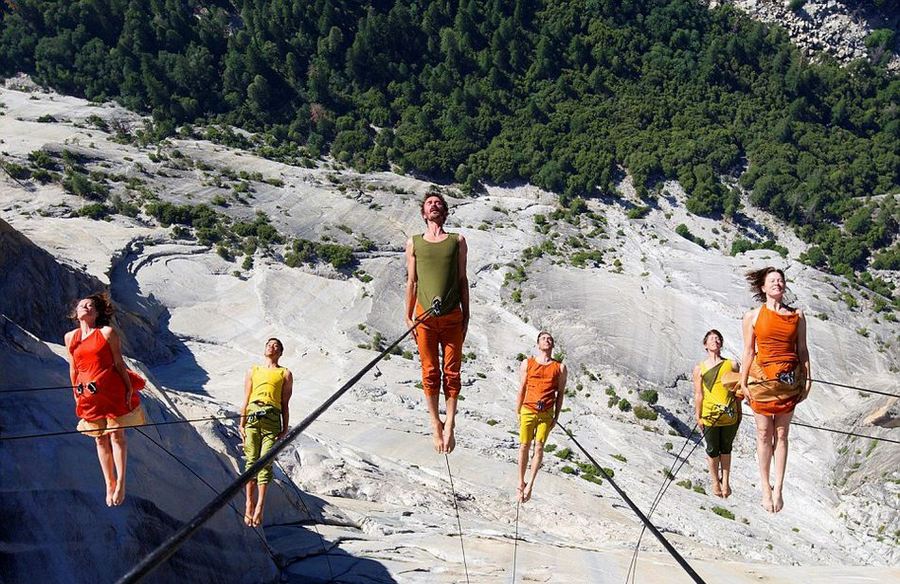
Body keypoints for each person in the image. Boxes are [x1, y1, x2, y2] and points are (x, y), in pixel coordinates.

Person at [739, 267, 812, 513]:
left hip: (788, 380)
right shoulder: (752, 316)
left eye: (780, 280)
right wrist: (743, 381)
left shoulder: (797, 315)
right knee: (763, 433)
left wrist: (808, 378)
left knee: (781, 434)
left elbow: (802, 349)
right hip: (761, 379)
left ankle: (778, 488)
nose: (777, 283)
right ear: (763, 287)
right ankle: (765, 487)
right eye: (772, 281)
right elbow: (748, 351)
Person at [65, 293, 145, 507]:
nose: (86, 307)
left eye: (90, 305)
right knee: (99, 438)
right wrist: (75, 393)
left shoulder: (107, 333)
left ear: (98, 312)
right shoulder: (70, 337)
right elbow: (73, 368)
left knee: (116, 435)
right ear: (76, 313)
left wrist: (129, 387)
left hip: (112, 390)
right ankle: (109, 482)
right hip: (88, 395)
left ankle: (121, 483)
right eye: (82, 305)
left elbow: (119, 363)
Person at [404, 192, 469, 454]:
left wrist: (467, 314)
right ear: (423, 213)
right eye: (430, 203)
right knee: (430, 371)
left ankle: (450, 423)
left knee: (452, 372)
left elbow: (462, 279)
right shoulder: (414, 242)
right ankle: (435, 423)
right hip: (425, 317)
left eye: (439, 203)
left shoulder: (457, 241)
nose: (434, 205)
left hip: (452, 315)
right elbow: (412, 281)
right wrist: (408, 315)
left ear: (445, 211)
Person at [239, 338, 293, 527]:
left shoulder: (285, 373)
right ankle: (249, 504)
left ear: (280, 352)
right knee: (251, 461)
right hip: (253, 415)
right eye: (269, 344)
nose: (271, 347)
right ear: (265, 349)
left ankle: (260, 506)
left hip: (272, 417)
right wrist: (241, 423)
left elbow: (285, 403)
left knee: (265, 462)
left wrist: (285, 427)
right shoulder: (253, 371)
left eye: (276, 345)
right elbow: (246, 398)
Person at [515, 331, 567, 503]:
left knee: (539, 447)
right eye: (543, 338)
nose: (547, 340)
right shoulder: (527, 363)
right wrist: (518, 410)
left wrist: (556, 416)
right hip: (528, 409)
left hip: (546, 413)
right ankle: (520, 482)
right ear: (538, 344)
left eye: (550, 339)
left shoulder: (560, 368)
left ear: (553, 345)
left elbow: (560, 394)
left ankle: (530, 484)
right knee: (524, 445)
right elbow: (522, 387)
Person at [692, 329, 740, 498]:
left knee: (726, 449)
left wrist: (739, 413)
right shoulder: (699, 368)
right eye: (712, 339)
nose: (715, 341)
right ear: (705, 345)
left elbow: (737, 391)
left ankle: (725, 481)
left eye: (718, 338)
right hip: (709, 414)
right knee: (712, 449)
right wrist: (698, 415)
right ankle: (715, 481)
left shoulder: (732, 364)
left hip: (730, 414)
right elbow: (698, 394)